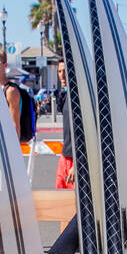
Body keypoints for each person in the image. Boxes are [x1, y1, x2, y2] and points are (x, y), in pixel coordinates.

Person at [0, 49, 22, 137]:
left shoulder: (11, 91)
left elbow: (15, 125)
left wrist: (14, 149)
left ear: (5, 65)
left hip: (5, 143)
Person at [54, 60, 75, 189]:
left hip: (76, 160)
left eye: (65, 71)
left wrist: (77, 164)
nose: (62, 75)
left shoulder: (77, 98)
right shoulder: (66, 95)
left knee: (73, 203)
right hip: (64, 156)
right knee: (59, 196)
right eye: (59, 71)